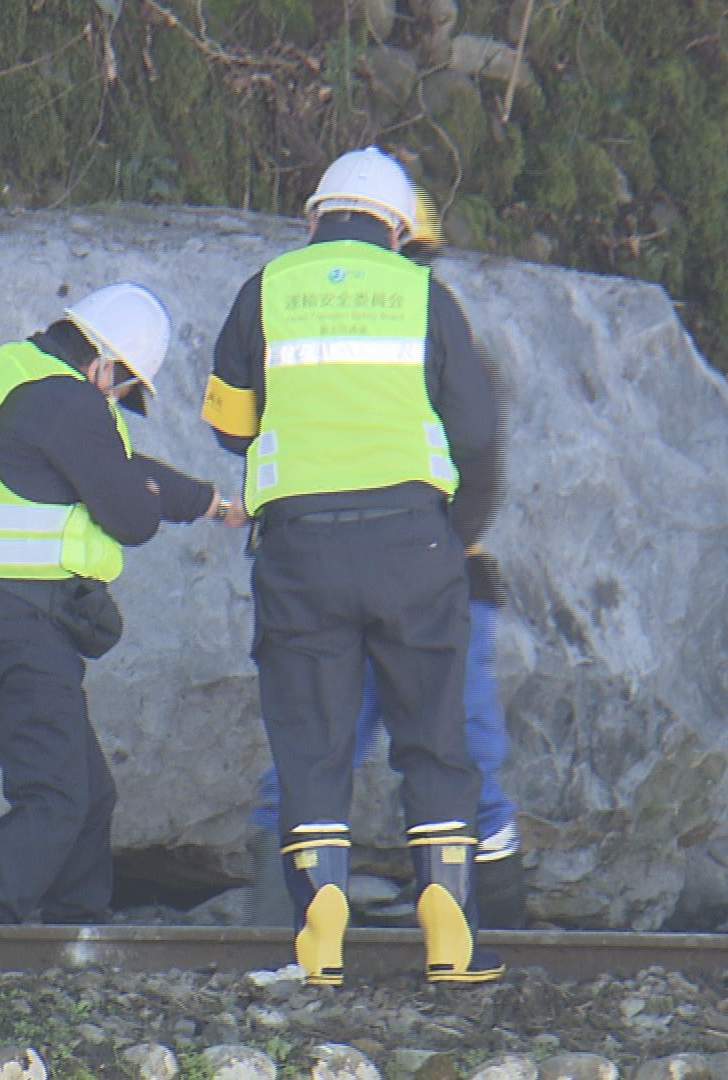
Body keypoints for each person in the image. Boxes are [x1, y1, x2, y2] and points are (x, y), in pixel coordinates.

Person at [204, 146, 507, 985]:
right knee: (434, 738)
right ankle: (448, 935)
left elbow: (229, 424)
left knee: (311, 746)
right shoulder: (426, 296)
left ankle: (321, 938)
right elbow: (475, 430)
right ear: (398, 230)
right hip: (414, 545)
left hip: (300, 550)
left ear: (313, 219)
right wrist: (445, 530)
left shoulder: (265, 289)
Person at [0, 282, 243, 926]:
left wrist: (213, 504)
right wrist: (147, 500)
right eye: (123, 390)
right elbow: (130, 514)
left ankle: (75, 934)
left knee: (89, 796)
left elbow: (118, 467)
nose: (115, 401)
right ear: (104, 367)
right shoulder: (67, 401)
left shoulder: (2, 377)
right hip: (12, 623)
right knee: (56, 795)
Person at [243, 545, 525, 931]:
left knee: (305, 776)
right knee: (465, 776)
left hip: (384, 591)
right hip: (411, 591)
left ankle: (277, 941)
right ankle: (488, 944)